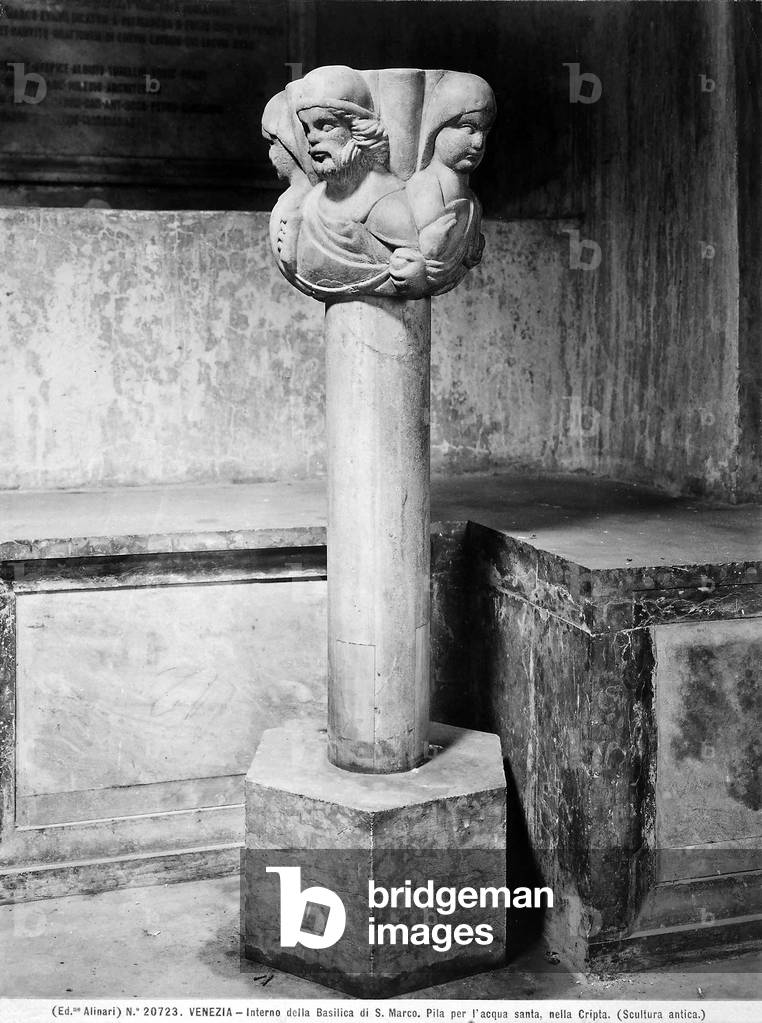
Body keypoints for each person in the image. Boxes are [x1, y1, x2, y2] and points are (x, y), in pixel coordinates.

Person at [287, 65, 428, 298]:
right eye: (307, 128)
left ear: (359, 130)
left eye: (325, 125)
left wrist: (415, 275)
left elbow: (413, 269)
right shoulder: (312, 200)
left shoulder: (385, 202)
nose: (312, 138)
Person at [406, 72, 496, 294]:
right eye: (468, 128)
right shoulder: (425, 184)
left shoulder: (472, 200)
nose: (479, 142)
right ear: (437, 127)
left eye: (484, 131)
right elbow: (424, 253)